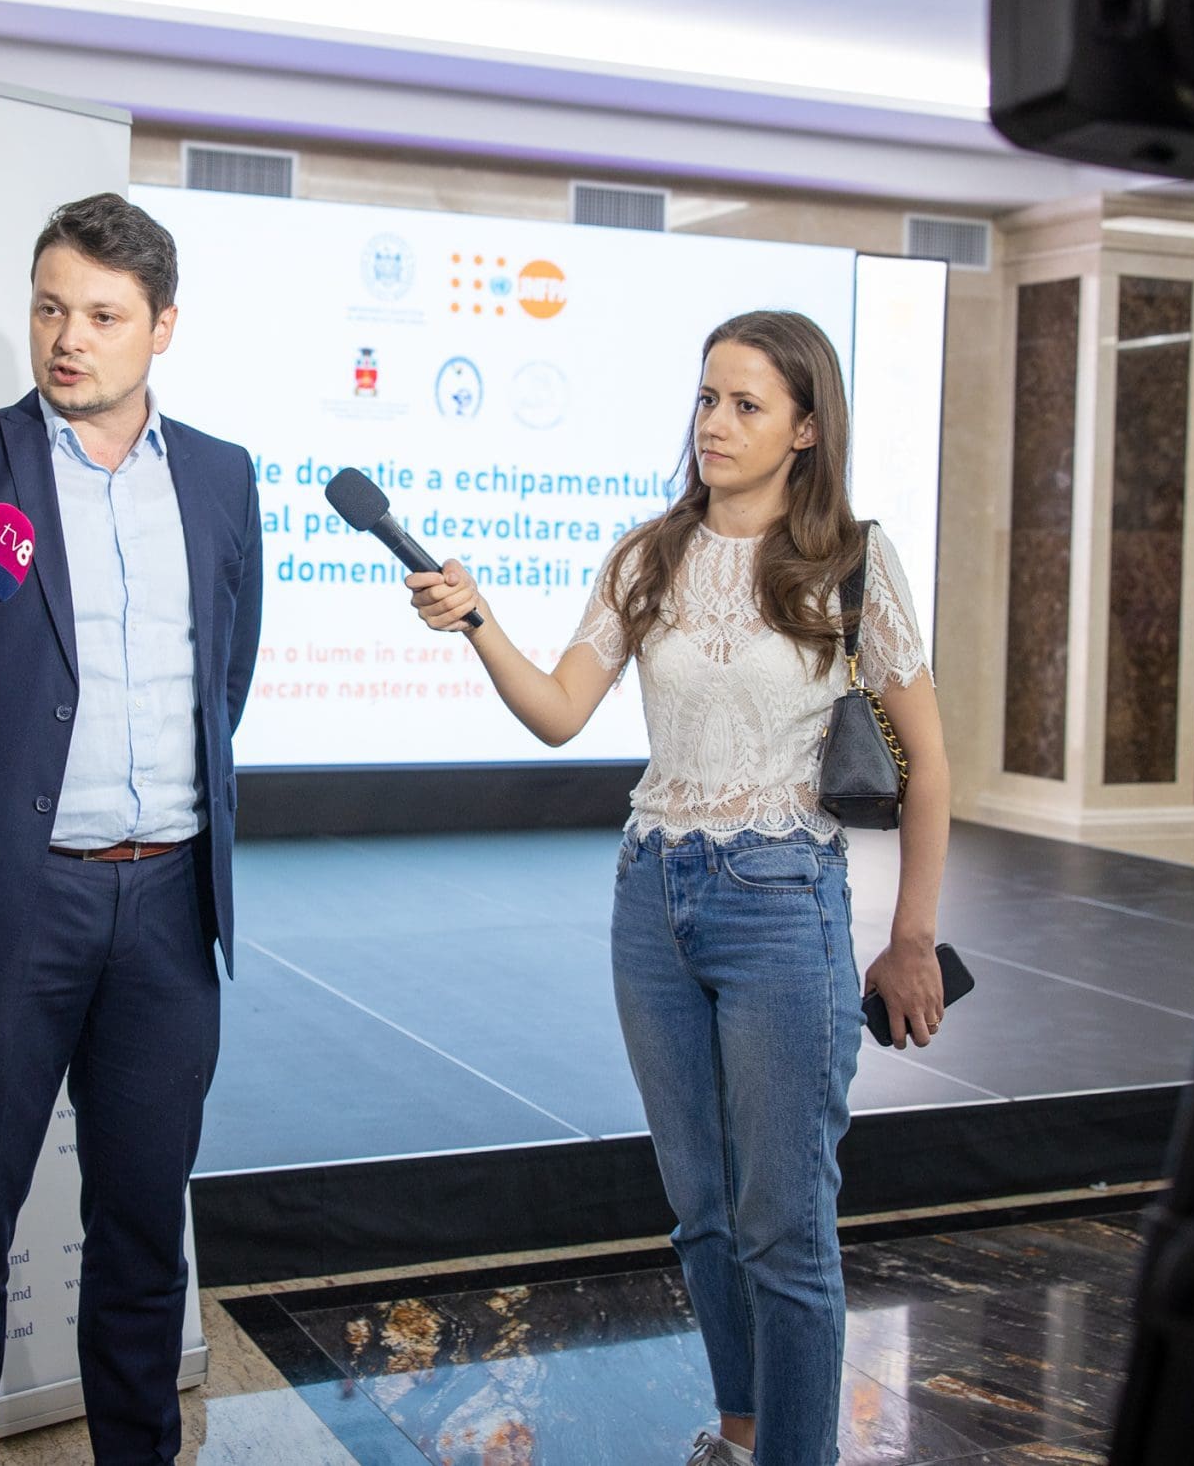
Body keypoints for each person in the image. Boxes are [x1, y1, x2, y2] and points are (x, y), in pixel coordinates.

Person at [404, 309, 950, 1466]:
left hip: (782, 897)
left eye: (747, 405)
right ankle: (741, 1433)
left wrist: (911, 939)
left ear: (805, 429)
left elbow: (932, 763)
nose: (715, 423)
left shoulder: (851, 560)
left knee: (783, 1226)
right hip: (651, 896)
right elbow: (559, 710)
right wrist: (478, 621)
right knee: (702, 1210)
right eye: (707, 398)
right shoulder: (645, 555)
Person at [0, 192, 263, 1466]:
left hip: (169, 911)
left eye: (103, 316)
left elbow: (223, 678)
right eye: (49, 308)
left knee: (142, 1238)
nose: (68, 339)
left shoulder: (222, 477)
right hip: (12, 908)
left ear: (162, 327)